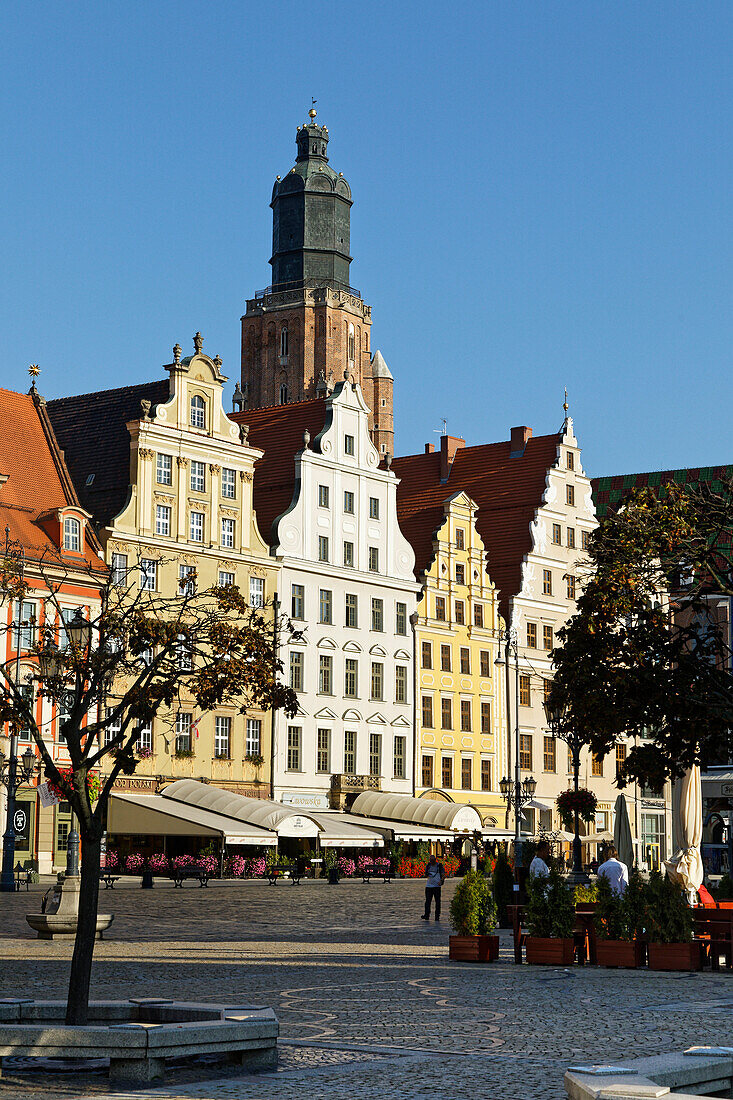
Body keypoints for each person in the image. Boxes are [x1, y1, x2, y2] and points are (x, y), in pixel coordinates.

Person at [422, 854, 446, 921]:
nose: (431, 862)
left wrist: (441, 881)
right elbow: (425, 874)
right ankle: (426, 915)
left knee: (437, 902)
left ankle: (437, 916)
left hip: (437, 886)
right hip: (429, 886)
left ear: (435, 860)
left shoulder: (439, 866)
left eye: (432, 860)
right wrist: (425, 875)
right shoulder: (428, 866)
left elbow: (443, 875)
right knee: (427, 901)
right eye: (430, 860)